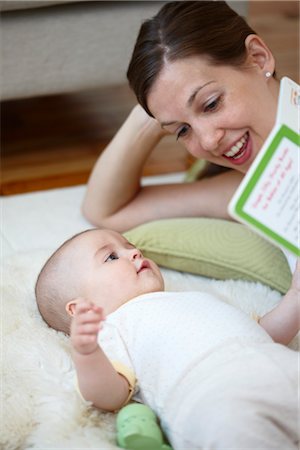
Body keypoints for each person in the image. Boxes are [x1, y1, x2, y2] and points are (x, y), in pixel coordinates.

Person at [35, 228, 299, 449]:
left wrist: (295, 296)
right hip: (214, 398)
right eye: (112, 257)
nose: (134, 252)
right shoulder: (112, 328)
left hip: (276, 361)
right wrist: (88, 352)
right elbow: (109, 397)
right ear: (79, 306)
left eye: (131, 246)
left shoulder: (194, 297)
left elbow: (262, 334)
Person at [81, 1, 284, 234]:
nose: (209, 141)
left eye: (211, 104)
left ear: (258, 58)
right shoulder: (256, 188)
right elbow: (107, 211)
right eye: (183, 131)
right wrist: (150, 117)